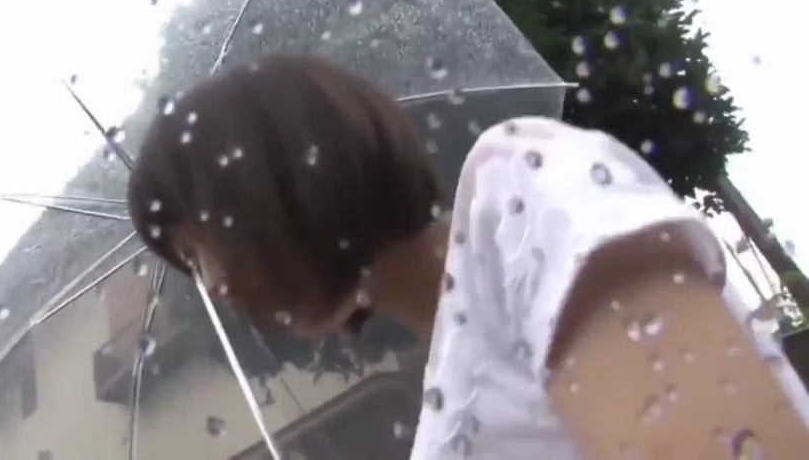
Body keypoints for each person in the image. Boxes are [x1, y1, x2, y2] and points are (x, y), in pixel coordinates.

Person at [127, 53, 809, 459]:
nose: (210, 284)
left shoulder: (516, 190)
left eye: (197, 249)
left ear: (267, 184)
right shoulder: (443, 394)